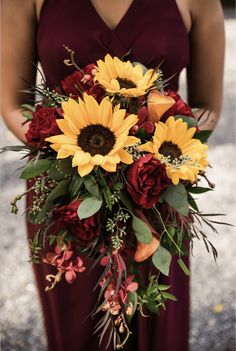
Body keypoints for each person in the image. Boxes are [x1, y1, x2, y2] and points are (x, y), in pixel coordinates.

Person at [1, 0, 225, 350]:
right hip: (66, 195)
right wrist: (69, 153)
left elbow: (208, 107)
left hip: (156, 194)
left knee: (156, 320)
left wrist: (153, 152)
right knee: (76, 329)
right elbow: (14, 103)